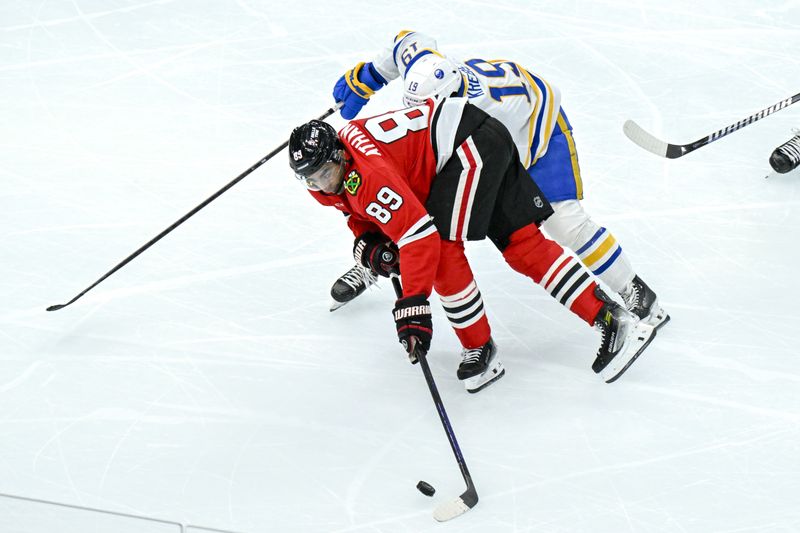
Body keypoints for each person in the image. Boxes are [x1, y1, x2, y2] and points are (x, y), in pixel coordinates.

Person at [288, 95, 657, 391]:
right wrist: (369, 242)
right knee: (522, 245)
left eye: (323, 173)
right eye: (310, 179)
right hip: (476, 135)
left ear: (339, 155)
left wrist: (413, 304)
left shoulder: (366, 173)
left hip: (468, 147)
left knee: (443, 252)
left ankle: (479, 345)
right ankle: (609, 317)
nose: (320, 184)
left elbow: (418, 235)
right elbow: (358, 210)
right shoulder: (337, 177)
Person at [328, 31, 669, 331]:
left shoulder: (484, 112)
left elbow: (518, 129)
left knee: (565, 223)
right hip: (482, 136)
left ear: (451, 100)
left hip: (539, 135)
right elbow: (407, 39)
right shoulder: (429, 69)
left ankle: (635, 291)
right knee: (402, 190)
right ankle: (377, 260)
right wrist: (369, 76)